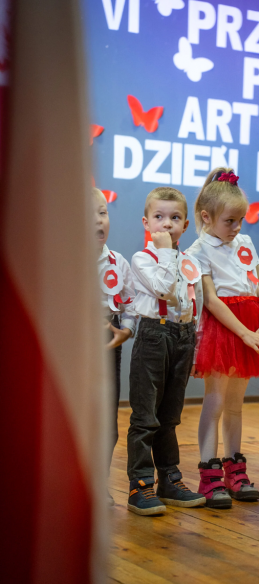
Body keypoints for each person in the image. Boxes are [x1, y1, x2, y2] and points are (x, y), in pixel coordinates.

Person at [187, 168, 259, 509]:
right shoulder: (197, 250)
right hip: (225, 330)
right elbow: (210, 299)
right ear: (207, 217)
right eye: (230, 221)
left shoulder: (246, 242)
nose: (237, 228)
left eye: (241, 220)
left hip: (252, 327)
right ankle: (209, 475)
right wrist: (245, 332)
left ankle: (234, 470)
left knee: (236, 404)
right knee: (215, 402)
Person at [126, 187, 206, 516]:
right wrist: (166, 253)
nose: (167, 225)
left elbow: (192, 302)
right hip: (154, 336)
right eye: (159, 218)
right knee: (146, 417)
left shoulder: (189, 261)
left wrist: (197, 344)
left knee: (170, 417)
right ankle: (140, 485)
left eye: (174, 218)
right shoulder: (143, 258)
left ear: (185, 225)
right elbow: (163, 289)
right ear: (147, 223)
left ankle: (170, 479)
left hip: (183, 337)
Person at [93, 188, 137, 506]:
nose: (98, 220)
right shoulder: (61, 258)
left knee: (107, 419)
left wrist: (126, 330)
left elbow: (133, 303)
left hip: (108, 348)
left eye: (103, 212)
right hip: (72, 350)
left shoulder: (117, 262)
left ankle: (98, 484)